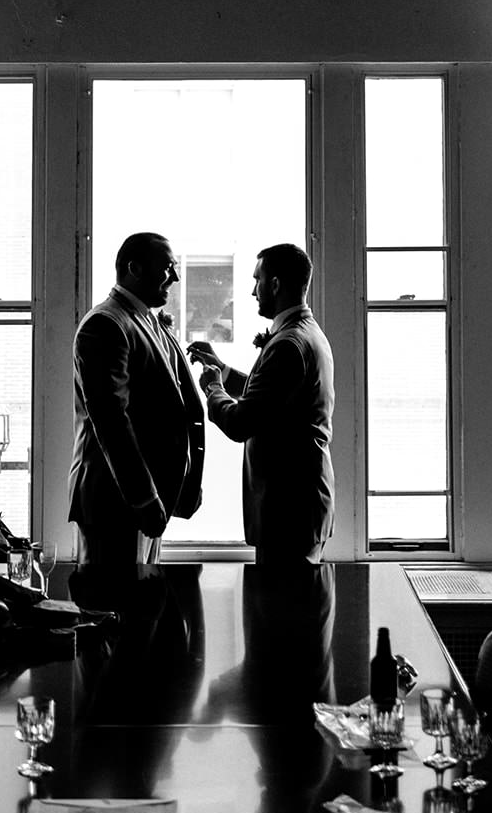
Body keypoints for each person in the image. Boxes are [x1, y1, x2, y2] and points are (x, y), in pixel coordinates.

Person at [188, 243, 334, 566]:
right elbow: (272, 400)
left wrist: (213, 387)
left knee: (282, 612)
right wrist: (224, 370)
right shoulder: (307, 333)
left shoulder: (287, 345)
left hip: (287, 512)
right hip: (303, 506)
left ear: (276, 284)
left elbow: (241, 422)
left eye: (258, 280)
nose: (254, 291)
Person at [69, 231, 205, 565]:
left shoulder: (149, 322)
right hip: (116, 502)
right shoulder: (105, 325)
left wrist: (185, 485)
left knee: (141, 609)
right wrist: (143, 499)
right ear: (135, 268)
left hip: (151, 501)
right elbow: (110, 419)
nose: (175, 276)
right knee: (113, 606)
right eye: (168, 267)